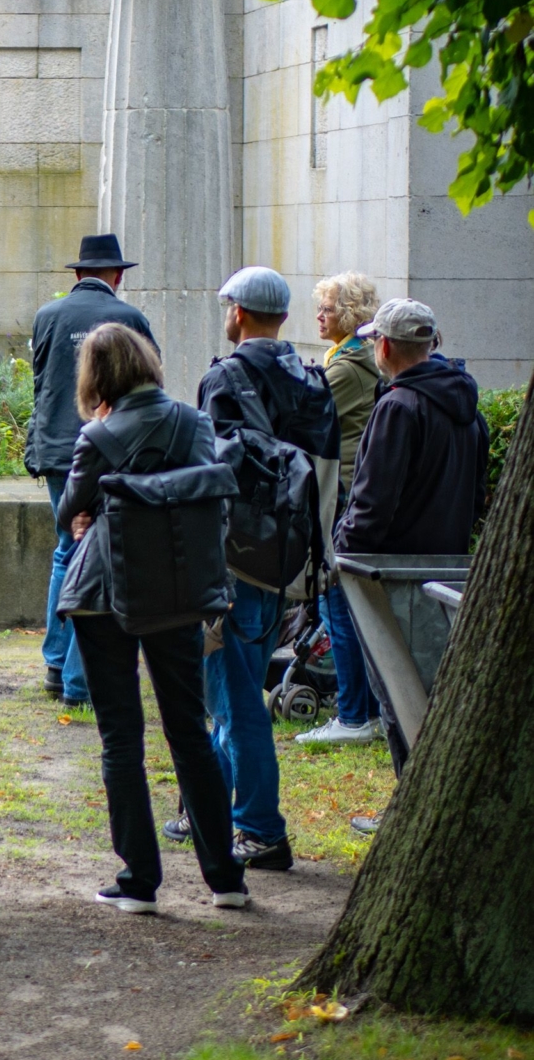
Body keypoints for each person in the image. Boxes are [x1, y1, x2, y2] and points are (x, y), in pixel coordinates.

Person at [55, 323, 247, 912]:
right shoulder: (195, 424)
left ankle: (140, 879)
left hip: (107, 592)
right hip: (179, 589)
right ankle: (226, 879)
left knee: (121, 735)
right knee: (188, 728)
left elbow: (70, 511)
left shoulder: (100, 435)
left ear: (98, 377)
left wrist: (90, 514)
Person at [186, 266, 340, 874]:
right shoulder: (312, 380)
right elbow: (325, 474)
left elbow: (208, 476)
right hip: (288, 560)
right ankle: (212, 810)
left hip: (234, 560)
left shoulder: (223, 378)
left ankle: (258, 827)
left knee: (234, 695)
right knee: (238, 688)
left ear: (239, 312)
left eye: (227, 305)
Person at [335, 297, 490, 819]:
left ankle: (409, 812)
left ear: (384, 345)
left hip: (389, 575)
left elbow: (371, 503)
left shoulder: (398, 406)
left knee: (397, 699)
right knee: (433, 698)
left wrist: (342, 555)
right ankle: (427, 807)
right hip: (445, 571)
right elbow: (476, 499)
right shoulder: (468, 405)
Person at [26, 236, 157, 709]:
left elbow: (40, 384)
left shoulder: (47, 316)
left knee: (66, 551)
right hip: (113, 449)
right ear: (117, 276)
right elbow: (149, 389)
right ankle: (80, 676)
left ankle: (57, 662)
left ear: (78, 275)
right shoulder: (130, 319)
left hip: (59, 451)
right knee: (99, 556)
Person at [296, 272, 382, 749]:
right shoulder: (355, 357)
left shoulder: (348, 366)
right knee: (342, 607)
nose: (319, 316)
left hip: (340, 492)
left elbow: (306, 417)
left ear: (347, 314)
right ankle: (361, 709)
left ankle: (354, 715)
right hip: (349, 489)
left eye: (327, 308)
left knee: (337, 607)